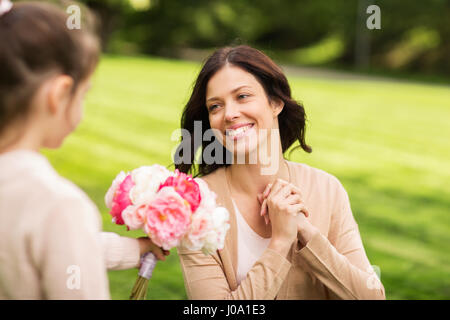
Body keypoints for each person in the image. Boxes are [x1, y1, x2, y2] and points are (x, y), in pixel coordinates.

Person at [175, 45, 386, 299]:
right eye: (215, 106)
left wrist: (304, 231)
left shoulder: (327, 189)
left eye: (242, 96)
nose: (229, 114)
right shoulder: (195, 203)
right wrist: (281, 242)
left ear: (275, 103)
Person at [0, 1, 167, 299]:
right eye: (83, 94)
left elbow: (60, 247)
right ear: (60, 94)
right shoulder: (58, 204)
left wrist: (135, 249)